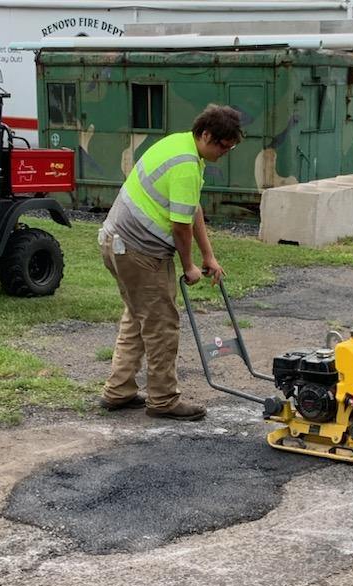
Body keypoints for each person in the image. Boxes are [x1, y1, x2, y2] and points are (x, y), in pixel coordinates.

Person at [99, 103, 243, 422]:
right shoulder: (186, 165)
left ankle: (119, 390)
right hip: (139, 251)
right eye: (223, 146)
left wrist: (208, 255)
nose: (225, 153)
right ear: (206, 135)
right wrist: (190, 266)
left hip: (115, 242)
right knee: (162, 325)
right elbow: (180, 227)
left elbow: (191, 208)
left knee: (138, 317)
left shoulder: (181, 145)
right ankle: (163, 399)